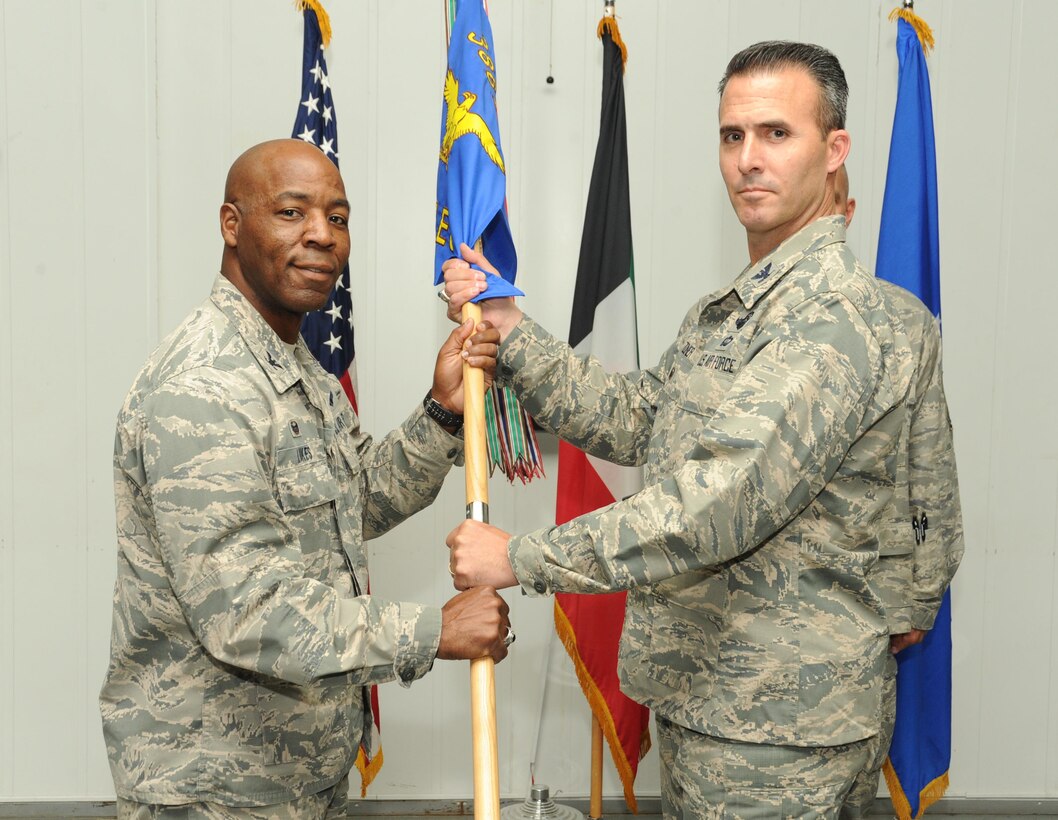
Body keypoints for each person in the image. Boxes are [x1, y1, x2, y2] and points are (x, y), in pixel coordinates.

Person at [441, 42, 915, 818]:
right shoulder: (729, 311)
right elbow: (639, 420)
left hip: (780, 732)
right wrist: (510, 328)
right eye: (733, 137)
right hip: (709, 700)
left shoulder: (830, 321)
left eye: (776, 134)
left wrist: (517, 557)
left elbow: (712, 506)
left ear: (835, 151)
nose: (748, 160)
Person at [100, 139, 512, 819]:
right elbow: (248, 612)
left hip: (297, 778)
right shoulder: (206, 386)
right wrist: (432, 631)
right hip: (216, 791)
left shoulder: (298, 371)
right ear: (233, 226)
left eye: (338, 218)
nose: (321, 236)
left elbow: (353, 504)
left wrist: (441, 413)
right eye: (291, 213)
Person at [834, 166, 964, 819]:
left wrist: (919, 598)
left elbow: (931, 467)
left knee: (851, 792)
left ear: (849, 209)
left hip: (863, 617)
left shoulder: (898, 324)